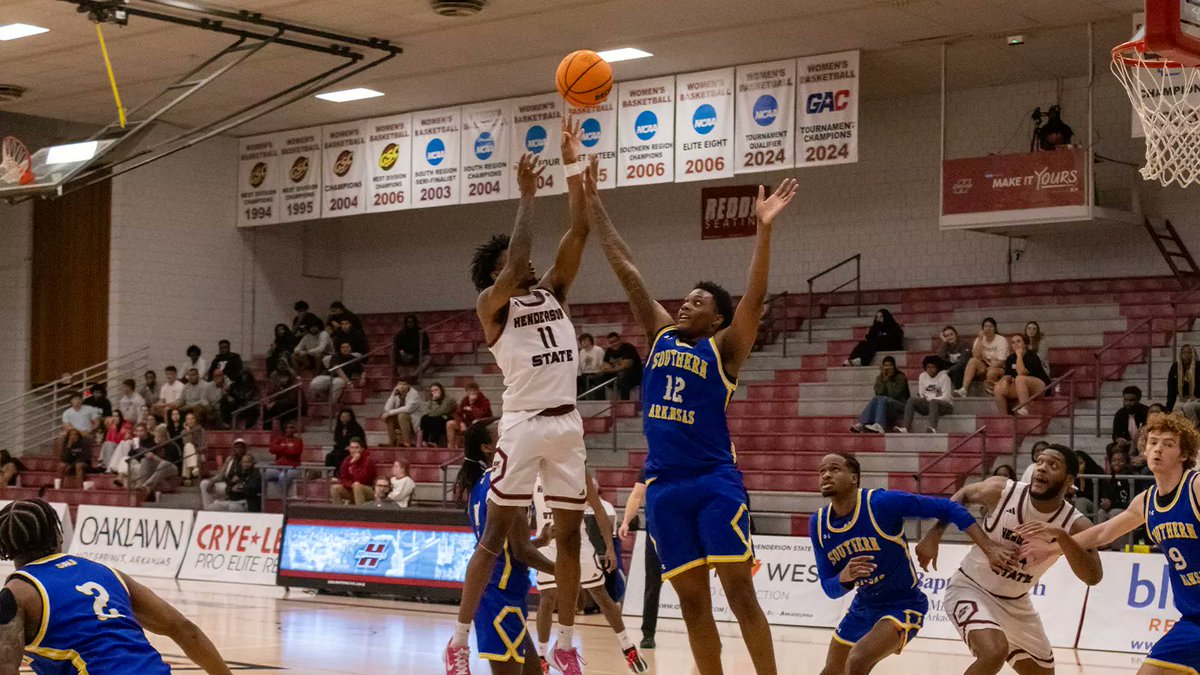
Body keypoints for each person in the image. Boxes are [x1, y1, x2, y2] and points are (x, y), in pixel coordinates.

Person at [589, 148, 797, 675]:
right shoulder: (659, 333)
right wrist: (591, 202)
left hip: (713, 481)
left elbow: (755, 298)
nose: (685, 303)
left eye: (698, 301)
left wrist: (764, 230)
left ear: (717, 318)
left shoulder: (723, 349)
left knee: (740, 592)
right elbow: (626, 267)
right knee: (691, 604)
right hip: (664, 488)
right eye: (685, 298)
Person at [446, 127, 593, 675]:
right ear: (496, 273)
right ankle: (458, 640)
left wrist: (572, 169)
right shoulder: (493, 304)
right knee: (492, 539)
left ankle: (566, 643)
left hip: (568, 423)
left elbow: (579, 230)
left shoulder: (554, 292)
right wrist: (528, 196)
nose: (527, 264)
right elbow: (519, 260)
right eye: (512, 262)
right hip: (524, 424)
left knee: (571, 538)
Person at [1019, 412, 1200, 675]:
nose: (1158, 449)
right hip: (1192, 618)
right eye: (1153, 442)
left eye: (1168, 444)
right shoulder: (1146, 501)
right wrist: (1053, 547)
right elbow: (1103, 532)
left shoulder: (1195, 487)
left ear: (1184, 454)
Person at [811, 452, 1014, 675]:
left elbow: (950, 508)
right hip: (864, 604)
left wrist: (982, 546)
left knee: (858, 660)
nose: (826, 475)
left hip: (903, 604)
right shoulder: (818, 524)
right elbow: (829, 588)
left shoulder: (881, 503)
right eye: (822, 471)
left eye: (834, 469)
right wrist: (843, 578)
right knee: (831, 671)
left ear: (854, 478)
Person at [916, 444, 1101, 674]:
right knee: (994, 652)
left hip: (1016, 603)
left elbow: (1093, 577)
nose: (1042, 468)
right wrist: (934, 534)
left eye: (1053, 465)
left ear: (1068, 480)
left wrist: (1063, 538)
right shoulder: (1003, 491)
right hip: (971, 588)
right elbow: (963, 495)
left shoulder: (1075, 524)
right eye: (1040, 462)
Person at [0, 499, 233, 674]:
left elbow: (6, 667)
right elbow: (183, 628)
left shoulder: (17, 594)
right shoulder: (105, 572)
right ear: (57, 533)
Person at [461, 423, 555, 675]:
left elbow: (507, 548)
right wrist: (565, 573)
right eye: (501, 431)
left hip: (502, 593)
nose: (509, 431)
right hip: (499, 595)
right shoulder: (504, 483)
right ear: (487, 448)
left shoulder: (481, 484)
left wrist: (540, 542)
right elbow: (521, 551)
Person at [533, 472, 648, 674]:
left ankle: (627, 647)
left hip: (578, 542)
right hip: (548, 542)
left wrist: (610, 547)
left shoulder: (577, 469)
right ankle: (542, 656)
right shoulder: (534, 473)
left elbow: (598, 509)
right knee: (547, 597)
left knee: (601, 594)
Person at [617, 470, 659, 650]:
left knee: (691, 585)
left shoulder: (683, 461)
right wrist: (626, 521)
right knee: (652, 584)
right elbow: (636, 495)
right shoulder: (650, 466)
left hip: (681, 531)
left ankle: (700, 631)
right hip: (655, 534)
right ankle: (648, 634)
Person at [993, 333, 1051, 415]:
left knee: (1020, 378)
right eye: (1013, 342)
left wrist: (1019, 355)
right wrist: (1005, 381)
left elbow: (1021, 372)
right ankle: (1003, 417)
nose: (1015, 344)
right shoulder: (1010, 358)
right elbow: (1007, 374)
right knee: (998, 388)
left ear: (1025, 344)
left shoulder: (1032, 356)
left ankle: (1025, 408)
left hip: (1040, 386)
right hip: (1022, 388)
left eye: (1018, 341)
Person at [850, 356, 909, 434]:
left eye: (890, 365)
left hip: (900, 405)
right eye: (885, 365)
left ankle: (879, 425)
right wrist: (884, 379)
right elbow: (878, 392)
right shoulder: (880, 378)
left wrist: (888, 380)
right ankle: (862, 424)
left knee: (882, 398)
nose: (887, 368)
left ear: (894, 366)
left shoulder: (901, 377)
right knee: (876, 398)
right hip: (885, 405)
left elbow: (894, 395)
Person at [896, 355, 952, 433]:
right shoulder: (922, 376)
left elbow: (946, 397)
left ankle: (933, 428)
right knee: (911, 400)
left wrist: (930, 398)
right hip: (928, 404)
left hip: (945, 406)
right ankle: (905, 427)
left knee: (933, 402)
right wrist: (934, 396)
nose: (930, 369)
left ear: (938, 367)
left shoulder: (944, 377)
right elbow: (921, 394)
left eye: (933, 367)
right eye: (928, 367)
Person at [955, 317, 1009, 398]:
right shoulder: (979, 339)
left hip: (999, 367)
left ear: (995, 328)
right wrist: (980, 339)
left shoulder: (1001, 340)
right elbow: (976, 357)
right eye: (985, 326)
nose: (988, 329)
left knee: (991, 372)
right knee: (972, 360)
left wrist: (988, 369)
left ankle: (993, 394)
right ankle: (964, 390)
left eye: (990, 326)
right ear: (982, 329)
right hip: (985, 366)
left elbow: (1001, 361)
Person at [201, 438, 249, 509]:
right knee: (204, 484)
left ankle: (217, 504)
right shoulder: (230, 459)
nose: (238, 449)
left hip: (237, 488)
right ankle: (208, 509)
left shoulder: (248, 460)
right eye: (236, 447)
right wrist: (213, 480)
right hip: (226, 485)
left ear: (245, 449)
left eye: (240, 447)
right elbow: (222, 474)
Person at [1097, 447, 1137, 526]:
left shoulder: (1132, 478)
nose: (1117, 463)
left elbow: (1130, 502)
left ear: (1126, 462)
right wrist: (1105, 503)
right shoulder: (1109, 479)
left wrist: (1111, 504)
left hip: (1126, 509)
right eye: (1114, 461)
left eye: (1121, 461)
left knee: (1114, 513)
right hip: (1113, 507)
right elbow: (1106, 496)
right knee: (1101, 513)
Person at [447, 383, 493, 449]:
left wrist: (472, 406)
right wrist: (461, 423)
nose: (472, 392)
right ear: (467, 392)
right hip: (467, 422)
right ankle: (451, 449)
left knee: (475, 422)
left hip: (481, 421)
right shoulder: (465, 400)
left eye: (474, 390)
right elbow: (458, 413)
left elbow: (480, 414)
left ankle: (472, 448)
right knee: (449, 424)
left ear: (478, 391)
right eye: (470, 390)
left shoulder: (484, 400)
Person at [330, 439, 375, 505]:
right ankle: (338, 511)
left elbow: (361, 479)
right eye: (352, 448)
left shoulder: (368, 460)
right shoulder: (347, 459)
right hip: (352, 488)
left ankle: (359, 511)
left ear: (362, 449)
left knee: (357, 486)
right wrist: (350, 485)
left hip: (368, 489)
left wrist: (353, 464)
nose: (353, 450)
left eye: (356, 448)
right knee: (335, 488)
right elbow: (343, 478)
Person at [265, 421, 303, 499]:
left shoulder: (298, 440)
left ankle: (282, 499)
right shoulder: (280, 439)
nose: (290, 430)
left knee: (282, 477)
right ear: (284, 429)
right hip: (279, 467)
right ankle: (263, 497)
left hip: (293, 468)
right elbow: (272, 449)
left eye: (292, 428)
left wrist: (281, 449)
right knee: (264, 474)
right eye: (288, 428)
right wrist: (286, 447)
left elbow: (294, 452)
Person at [601, 332, 643, 401]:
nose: (614, 344)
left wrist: (610, 369)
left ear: (620, 339)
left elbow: (626, 365)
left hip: (632, 374)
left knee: (622, 374)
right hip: (615, 373)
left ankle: (624, 401)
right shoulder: (609, 351)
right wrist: (606, 368)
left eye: (615, 341)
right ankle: (600, 400)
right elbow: (605, 365)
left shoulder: (628, 348)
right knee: (599, 376)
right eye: (611, 343)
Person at [382, 379, 422, 447]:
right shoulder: (396, 393)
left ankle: (407, 442)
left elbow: (408, 409)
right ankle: (393, 441)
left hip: (413, 420)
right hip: (400, 420)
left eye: (404, 384)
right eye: (399, 384)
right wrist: (393, 394)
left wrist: (390, 413)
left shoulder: (414, 394)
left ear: (409, 385)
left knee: (402, 415)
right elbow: (387, 408)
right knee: (388, 417)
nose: (401, 386)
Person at [393, 313, 432, 379]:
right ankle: (402, 377)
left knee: (428, 358)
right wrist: (401, 352)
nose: (410, 324)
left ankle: (413, 374)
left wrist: (413, 355)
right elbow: (397, 346)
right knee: (395, 357)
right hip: (404, 356)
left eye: (411, 322)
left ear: (415, 322)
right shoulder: (401, 333)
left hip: (417, 355)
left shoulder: (421, 332)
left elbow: (425, 347)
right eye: (408, 322)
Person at [1167, 343, 1199, 421]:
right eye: (1184, 353)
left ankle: (1195, 427)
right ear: (1181, 354)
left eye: (1189, 352)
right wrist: (1168, 409)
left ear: (1193, 354)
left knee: (1188, 407)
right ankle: (1182, 427)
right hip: (1183, 399)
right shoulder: (1175, 367)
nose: (1186, 355)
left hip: (1197, 398)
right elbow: (1171, 390)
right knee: (1177, 408)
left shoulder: (1199, 366)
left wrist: (1195, 397)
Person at [329, 408, 364, 477]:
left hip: (352, 449)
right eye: (343, 417)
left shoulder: (357, 428)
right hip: (341, 449)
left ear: (351, 417)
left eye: (346, 417)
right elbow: (337, 440)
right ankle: (334, 474)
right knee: (331, 456)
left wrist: (350, 447)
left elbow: (360, 442)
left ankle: (342, 474)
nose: (344, 419)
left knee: (341, 456)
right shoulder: (339, 428)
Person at [1113, 385, 1151, 449]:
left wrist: (1132, 443)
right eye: (1125, 400)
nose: (1128, 403)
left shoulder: (1146, 412)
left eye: (1131, 400)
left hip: (1144, 444)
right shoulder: (1119, 414)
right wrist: (1119, 440)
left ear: (1138, 400)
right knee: (1111, 447)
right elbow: (1116, 435)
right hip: (1126, 445)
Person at [937, 326, 974, 390]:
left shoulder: (964, 344)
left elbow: (964, 361)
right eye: (947, 336)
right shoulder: (946, 345)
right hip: (951, 368)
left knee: (957, 371)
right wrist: (945, 343)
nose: (950, 337)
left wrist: (949, 370)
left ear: (956, 334)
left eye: (951, 334)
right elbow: (940, 357)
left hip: (963, 368)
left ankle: (958, 392)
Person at [420, 382, 456, 447]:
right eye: (432, 391)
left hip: (447, 416)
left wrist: (435, 401)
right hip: (436, 416)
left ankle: (434, 441)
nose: (434, 392)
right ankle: (425, 440)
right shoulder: (432, 399)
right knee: (424, 418)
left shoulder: (449, 399)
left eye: (436, 390)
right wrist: (434, 401)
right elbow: (426, 411)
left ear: (441, 390)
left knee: (438, 419)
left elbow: (441, 411)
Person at [576, 333, 608, 399]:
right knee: (576, 379)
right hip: (585, 372)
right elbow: (580, 366)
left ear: (590, 340)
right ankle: (581, 399)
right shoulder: (581, 351)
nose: (584, 342)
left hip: (597, 372)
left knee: (597, 378)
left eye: (586, 340)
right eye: (582, 341)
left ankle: (599, 399)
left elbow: (602, 363)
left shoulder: (598, 350)